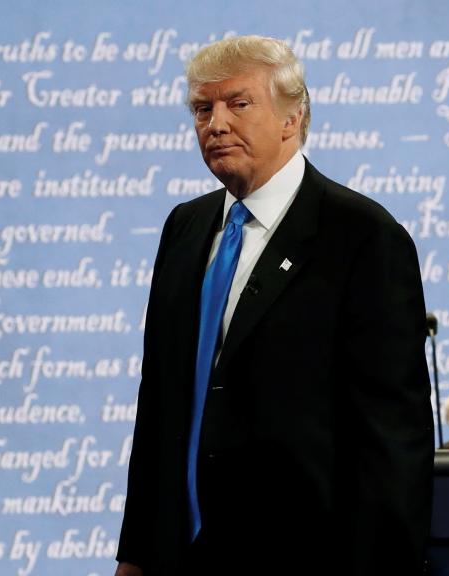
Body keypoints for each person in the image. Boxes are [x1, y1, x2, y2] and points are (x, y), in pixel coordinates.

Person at [114, 35, 432, 576]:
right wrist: (136, 554)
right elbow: (161, 406)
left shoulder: (362, 236)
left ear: (292, 118)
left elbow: (391, 442)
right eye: (202, 108)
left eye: (238, 104)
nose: (215, 124)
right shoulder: (185, 228)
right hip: (182, 558)